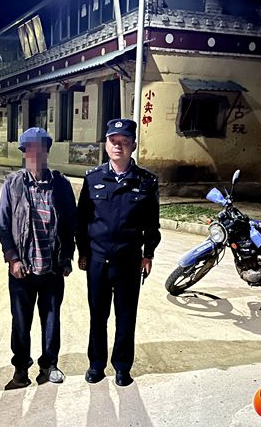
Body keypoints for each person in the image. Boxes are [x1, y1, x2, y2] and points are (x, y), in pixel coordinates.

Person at [76, 118, 161, 387]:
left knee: (126, 316)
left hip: (128, 260)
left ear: (133, 145)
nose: (118, 146)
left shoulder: (146, 181)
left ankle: (123, 366)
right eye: (113, 141)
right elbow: (82, 220)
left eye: (124, 142)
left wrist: (148, 254)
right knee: (97, 315)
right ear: (106, 144)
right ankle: (96, 364)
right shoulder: (93, 179)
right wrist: (82, 252)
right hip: (97, 260)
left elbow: (152, 223)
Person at [0, 127, 77, 388]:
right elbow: (4, 225)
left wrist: (67, 257)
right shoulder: (13, 184)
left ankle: (49, 364)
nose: (34, 155)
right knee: (21, 322)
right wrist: (13, 259)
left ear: (46, 151)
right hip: (23, 268)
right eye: (28, 150)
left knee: (51, 319)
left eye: (39, 149)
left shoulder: (61, 185)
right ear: (24, 153)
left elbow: (71, 223)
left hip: (52, 267)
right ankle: (21, 368)